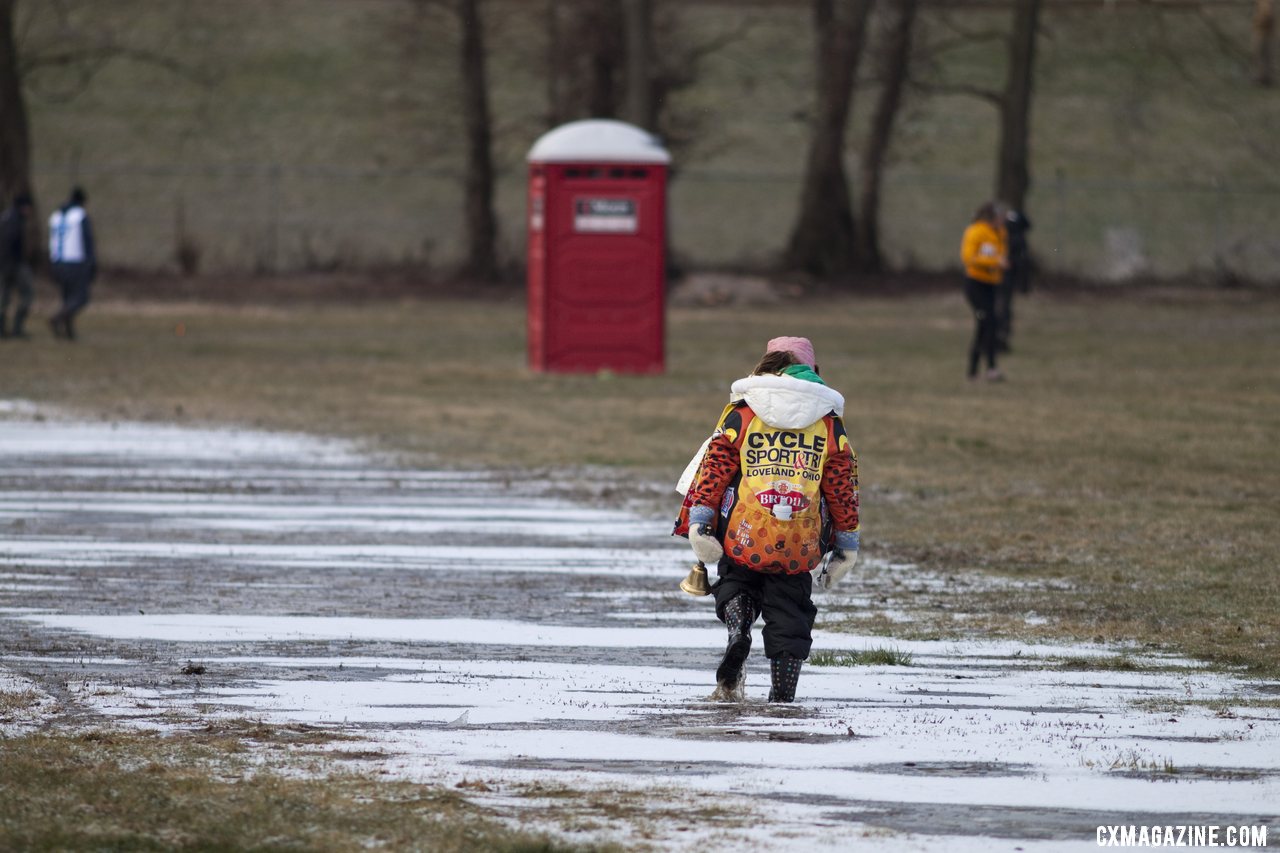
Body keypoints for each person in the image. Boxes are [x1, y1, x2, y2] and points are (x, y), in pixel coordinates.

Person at [673, 336, 860, 703]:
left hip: (743, 531)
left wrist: (700, 520)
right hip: (800, 541)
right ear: (813, 372)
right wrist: (847, 544)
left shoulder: (742, 412)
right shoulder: (829, 423)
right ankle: (783, 694)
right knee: (791, 609)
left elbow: (715, 468)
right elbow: (841, 487)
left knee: (737, 583)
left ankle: (739, 628)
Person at [960, 202, 1009, 381]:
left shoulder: (1000, 232)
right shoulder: (976, 231)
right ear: (992, 216)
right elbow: (968, 257)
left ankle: (981, 370)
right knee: (986, 322)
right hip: (975, 284)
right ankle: (983, 369)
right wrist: (994, 262)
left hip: (991, 284)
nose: (1003, 220)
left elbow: (1000, 253)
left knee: (989, 325)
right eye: (1001, 216)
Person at [48, 186, 97, 341]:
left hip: (57, 262)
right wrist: (92, 264)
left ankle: (69, 331)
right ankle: (57, 318)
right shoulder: (79, 215)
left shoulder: (56, 215)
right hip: (75, 262)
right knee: (81, 298)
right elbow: (88, 241)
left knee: (67, 297)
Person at [995, 205, 1033, 354]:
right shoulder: (1010, 235)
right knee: (1002, 309)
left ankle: (1000, 339)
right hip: (1002, 276)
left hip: (1003, 276)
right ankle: (999, 339)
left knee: (1001, 308)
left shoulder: (1008, 230)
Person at [0, 192, 35, 340]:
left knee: (4, 298)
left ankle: (2, 329)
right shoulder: (15, 221)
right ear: (24, 207)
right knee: (27, 295)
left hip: (4, 265)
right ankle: (17, 328)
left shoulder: (5, 217)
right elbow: (10, 244)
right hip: (14, 265)